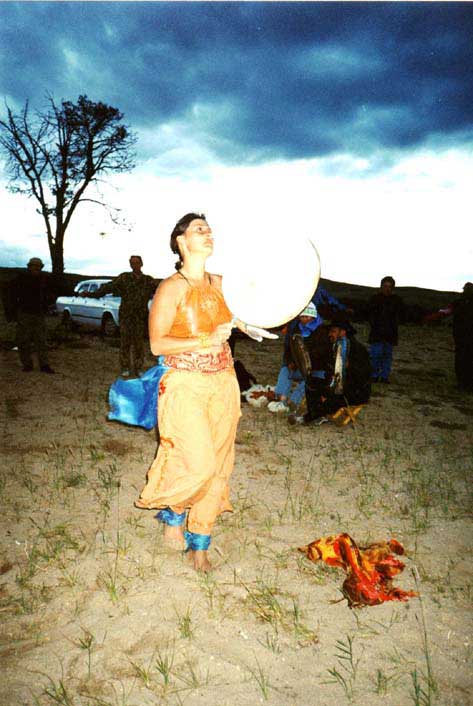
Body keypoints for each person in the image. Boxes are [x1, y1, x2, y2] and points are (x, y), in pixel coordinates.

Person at [132, 213, 275, 571]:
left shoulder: (222, 283)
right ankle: (174, 512)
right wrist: (204, 339)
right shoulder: (171, 287)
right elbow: (156, 343)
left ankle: (200, 542)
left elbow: (241, 312)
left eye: (209, 229)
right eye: (199, 229)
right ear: (181, 240)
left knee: (221, 464)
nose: (209, 234)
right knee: (198, 463)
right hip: (184, 384)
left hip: (224, 381)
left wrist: (250, 323)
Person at [289, 312, 371, 425]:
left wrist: (350, 367)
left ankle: (307, 418)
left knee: (335, 398)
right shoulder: (334, 346)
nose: (330, 334)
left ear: (342, 332)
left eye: (333, 331)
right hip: (338, 385)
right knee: (311, 383)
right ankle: (318, 417)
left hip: (356, 390)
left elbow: (364, 375)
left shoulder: (357, 350)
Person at [86, 256, 157, 377]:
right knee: (125, 342)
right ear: (130, 265)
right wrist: (93, 294)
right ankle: (125, 367)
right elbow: (109, 287)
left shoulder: (148, 280)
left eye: (137, 263)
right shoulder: (124, 278)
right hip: (126, 316)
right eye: (132, 263)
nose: (135, 265)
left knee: (139, 343)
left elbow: (162, 290)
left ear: (141, 264)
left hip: (140, 317)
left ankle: (138, 368)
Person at [268, 302, 330, 413]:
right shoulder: (295, 328)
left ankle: (293, 402)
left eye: (306, 317)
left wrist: (305, 366)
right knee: (285, 370)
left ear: (313, 316)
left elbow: (322, 356)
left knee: (311, 380)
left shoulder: (322, 332)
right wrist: (291, 361)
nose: (304, 319)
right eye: (302, 317)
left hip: (316, 369)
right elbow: (289, 348)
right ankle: (280, 399)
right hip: (299, 366)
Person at [7, 257, 56, 373]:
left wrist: (48, 303)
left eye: (38, 266)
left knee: (41, 341)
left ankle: (44, 365)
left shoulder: (45, 280)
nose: (36, 268)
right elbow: (10, 295)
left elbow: (55, 291)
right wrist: (12, 312)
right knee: (23, 340)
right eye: (33, 266)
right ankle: (27, 364)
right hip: (24, 314)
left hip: (39, 314)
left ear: (41, 267)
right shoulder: (20, 279)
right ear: (29, 267)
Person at [367, 276, 404, 383]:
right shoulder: (374, 299)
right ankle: (373, 375)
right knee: (375, 355)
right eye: (385, 286)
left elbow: (401, 314)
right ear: (381, 286)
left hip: (390, 333)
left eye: (390, 287)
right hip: (377, 332)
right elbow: (369, 314)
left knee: (387, 356)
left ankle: (384, 376)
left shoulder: (397, 300)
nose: (387, 289)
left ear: (393, 288)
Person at [452, 282, 473, 393]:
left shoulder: (460, 303)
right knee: (462, 361)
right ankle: (462, 383)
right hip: (460, 337)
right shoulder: (459, 303)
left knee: (466, 361)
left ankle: (466, 384)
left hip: (466, 337)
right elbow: (449, 310)